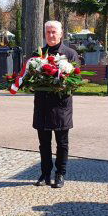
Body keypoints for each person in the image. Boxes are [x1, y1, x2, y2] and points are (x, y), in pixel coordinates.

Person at [33, 20, 79, 188]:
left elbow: (75, 80)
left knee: (62, 142)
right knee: (43, 142)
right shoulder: (38, 54)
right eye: (48, 32)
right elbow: (30, 77)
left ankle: (60, 174)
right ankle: (45, 173)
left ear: (61, 33)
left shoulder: (70, 54)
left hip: (61, 105)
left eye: (54, 32)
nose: (51, 35)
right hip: (42, 105)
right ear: (45, 34)